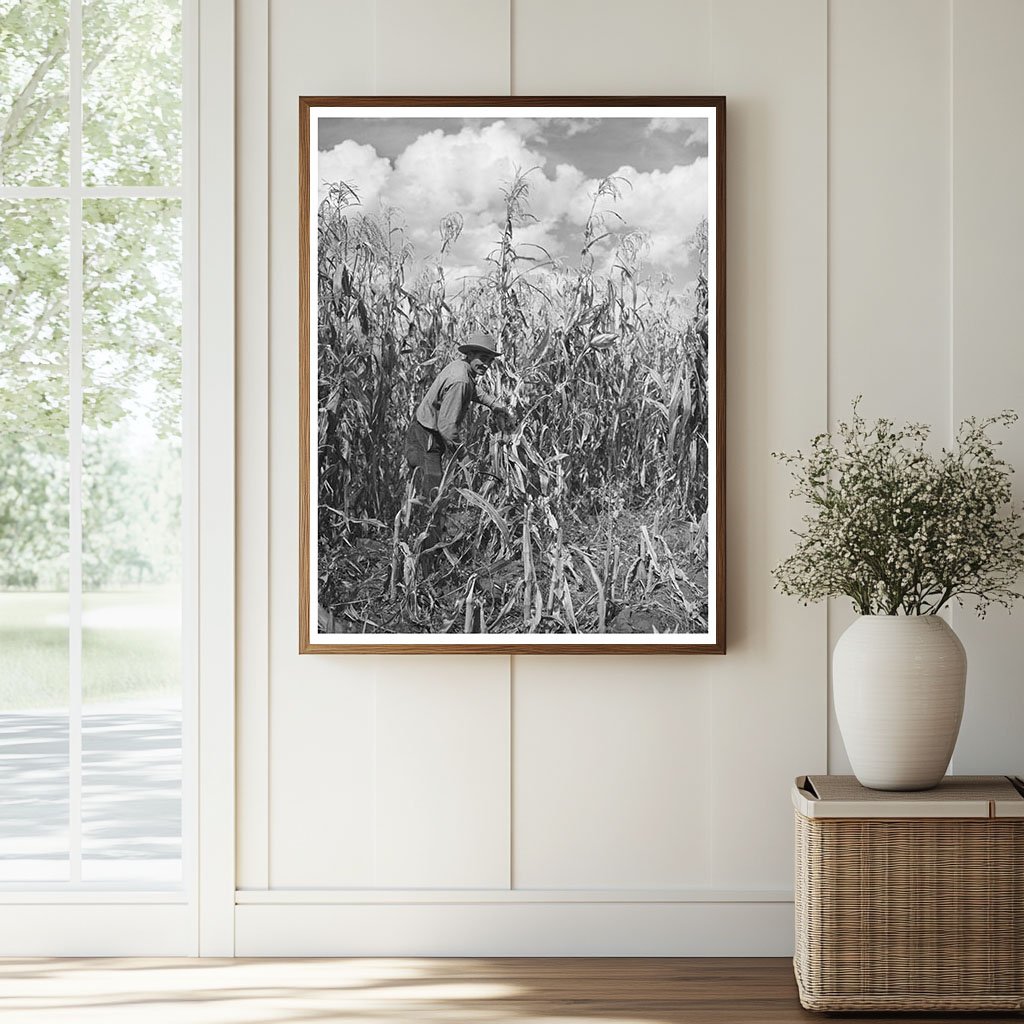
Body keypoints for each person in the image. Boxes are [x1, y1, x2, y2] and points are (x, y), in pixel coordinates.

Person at [404, 333, 512, 549]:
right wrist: (463, 456)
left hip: (426, 432)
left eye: (490, 360)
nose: (487, 364)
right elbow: (446, 427)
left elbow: (475, 391)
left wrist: (495, 405)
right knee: (433, 493)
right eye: (483, 357)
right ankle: (425, 551)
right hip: (427, 437)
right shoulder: (460, 380)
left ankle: (422, 537)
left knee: (429, 490)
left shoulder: (461, 368)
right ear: (470, 354)